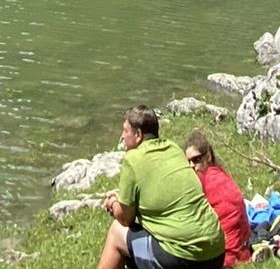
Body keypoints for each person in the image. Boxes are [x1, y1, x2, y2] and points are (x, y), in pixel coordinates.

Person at [96, 106, 224, 269]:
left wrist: (113, 203)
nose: (122, 136)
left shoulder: (133, 159)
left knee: (117, 232)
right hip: (216, 250)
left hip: (184, 257)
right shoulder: (174, 149)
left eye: (125, 131)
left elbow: (126, 219)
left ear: (138, 135)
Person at [183, 131, 251, 266]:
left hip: (223, 255)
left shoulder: (204, 180)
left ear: (208, 156)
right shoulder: (221, 174)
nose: (192, 165)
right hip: (242, 248)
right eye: (188, 161)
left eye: (196, 159)